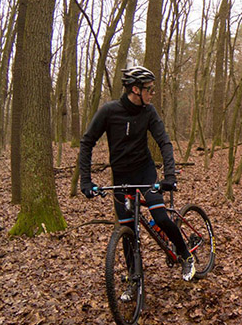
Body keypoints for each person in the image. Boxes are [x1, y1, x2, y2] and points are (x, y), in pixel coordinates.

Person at [79, 66, 196, 283]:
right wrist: (85, 180)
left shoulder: (148, 112)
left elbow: (164, 142)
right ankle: (134, 277)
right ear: (135, 90)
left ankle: (185, 255)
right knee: (127, 230)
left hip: (145, 173)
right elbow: (87, 142)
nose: (152, 94)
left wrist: (169, 175)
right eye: (149, 90)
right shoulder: (109, 111)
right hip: (121, 178)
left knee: (160, 217)